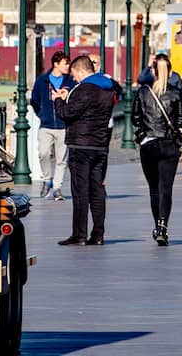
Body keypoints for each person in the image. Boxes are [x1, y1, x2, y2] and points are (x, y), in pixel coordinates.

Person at [54, 55, 118, 246]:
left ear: (81, 70)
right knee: (97, 190)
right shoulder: (107, 88)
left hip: (81, 145)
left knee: (80, 191)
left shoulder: (85, 89)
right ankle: (98, 234)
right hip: (100, 144)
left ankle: (79, 234)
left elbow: (67, 114)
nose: (74, 78)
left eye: (74, 74)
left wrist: (59, 100)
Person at [133, 53, 182, 246]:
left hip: (149, 143)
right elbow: (181, 121)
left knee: (154, 189)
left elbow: (135, 118)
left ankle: (157, 225)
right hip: (169, 144)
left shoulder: (143, 92)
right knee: (166, 189)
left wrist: (141, 136)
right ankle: (163, 226)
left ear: (153, 71)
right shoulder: (176, 93)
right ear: (170, 72)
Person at [28, 51, 74, 200]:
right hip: (46, 125)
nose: (68, 66)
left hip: (63, 125)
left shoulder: (71, 81)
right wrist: (42, 114)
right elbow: (34, 100)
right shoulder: (42, 80)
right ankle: (47, 179)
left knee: (61, 159)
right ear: (56, 64)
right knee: (43, 153)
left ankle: (57, 188)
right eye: (65, 63)